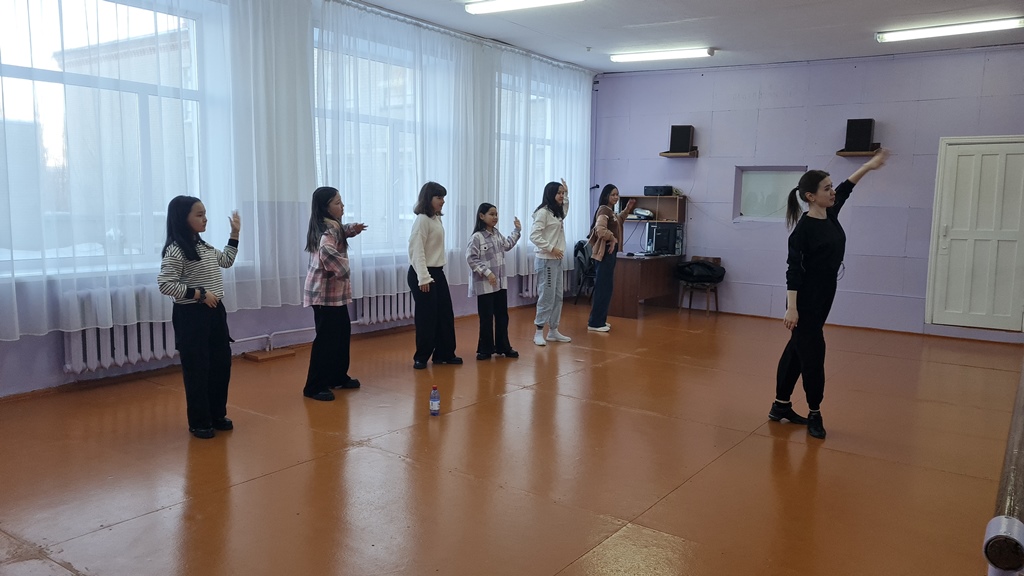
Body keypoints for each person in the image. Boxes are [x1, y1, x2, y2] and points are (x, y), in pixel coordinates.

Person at [770, 148, 889, 439]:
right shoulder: (802, 231)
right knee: (813, 352)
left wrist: (869, 166)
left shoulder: (830, 214)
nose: (833, 191)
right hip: (805, 299)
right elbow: (794, 270)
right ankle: (815, 411)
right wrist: (792, 308)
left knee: (797, 348)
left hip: (825, 293)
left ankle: (780, 405)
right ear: (811, 196)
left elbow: (847, 187)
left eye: (831, 186)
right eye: (826, 188)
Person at [157, 196, 240, 439]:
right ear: (182, 219)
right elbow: (165, 284)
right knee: (197, 369)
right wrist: (199, 294)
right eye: (199, 214)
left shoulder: (204, 247)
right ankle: (200, 421)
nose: (205, 219)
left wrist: (234, 234)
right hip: (191, 316)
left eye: (205, 214)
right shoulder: (176, 249)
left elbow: (227, 260)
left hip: (215, 314)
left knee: (220, 365)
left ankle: (217, 414)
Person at [302, 186, 368, 401]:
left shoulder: (333, 225)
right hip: (323, 295)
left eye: (341, 202)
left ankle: (337, 377)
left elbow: (341, 231)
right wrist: (344, 268)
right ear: (325, 208)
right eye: (337, 203)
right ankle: (314, 386)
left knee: (341, 335)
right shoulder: (326, 231)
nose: (342, 206)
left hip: (334, 295)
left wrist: (352, 229)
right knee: (326, 340)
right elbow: (326, 252)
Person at [408, 181, 461, 370]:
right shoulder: (422, 220)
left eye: (443, 197)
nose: (443, 201)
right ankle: (421, 357)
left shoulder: (436, 218)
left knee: (445, 314)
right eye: (439, 197)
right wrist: (423, 277)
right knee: (427, 317)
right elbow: (417, 250)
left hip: (437, 272)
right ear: (428, 198)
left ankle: (444, 354)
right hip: (423, 272)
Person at [467, 203, 522, 360]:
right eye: (491, 214)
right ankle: (485, 349)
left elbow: (508, 244)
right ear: (481, 216)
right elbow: (471, 258)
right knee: (486, 318)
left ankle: (503, 346)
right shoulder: (477, 237)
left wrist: (517, 231)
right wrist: (487, 272)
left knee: (502, 316)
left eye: (496, 214)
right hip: (485, 285)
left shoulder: (497, 234)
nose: (495, 217)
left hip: (500, 284)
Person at [586, 184, 635, 332]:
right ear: (606, 195)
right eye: (613, 194)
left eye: (617, 194)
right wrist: (613, 238)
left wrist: (627, 209)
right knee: (603, 288)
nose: (616, 197)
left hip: (610, 254)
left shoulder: (610, 211)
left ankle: (600, 320)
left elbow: (618, 222)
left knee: (606, 288)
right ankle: (595, 323)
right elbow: (600, 229)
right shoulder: (604, 210)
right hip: (604, 254)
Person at [530, 179, 572, 346]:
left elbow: (565, 210)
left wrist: (566, 195)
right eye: (559, 193)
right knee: (547, 297)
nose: (561, 196)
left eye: (562, 193)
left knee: (558, 296)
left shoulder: (557, 211)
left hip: (557, 259)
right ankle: (538, 331)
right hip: (546, 260)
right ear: (550, 194)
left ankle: (553, 330)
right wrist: (551, 248)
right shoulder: (543, 213)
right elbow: (534, 236)